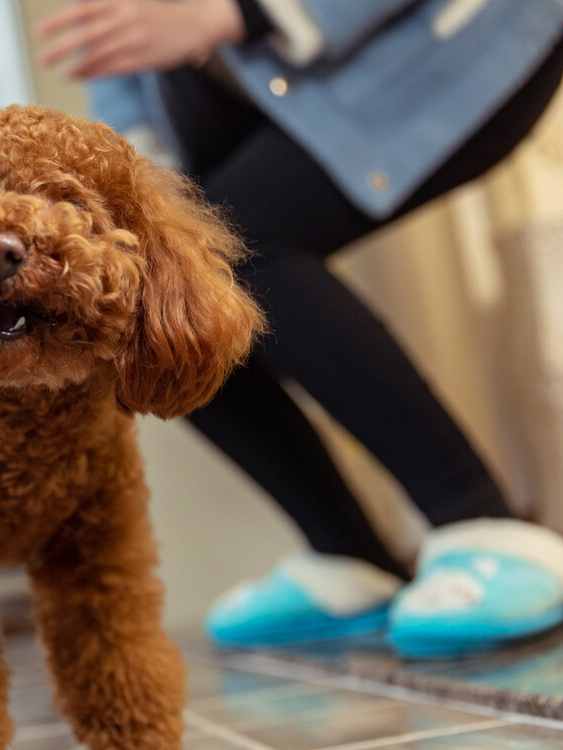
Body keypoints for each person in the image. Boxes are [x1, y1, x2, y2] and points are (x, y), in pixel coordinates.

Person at [38, 0, 563, 658]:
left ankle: (481, 520)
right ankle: (348, 553)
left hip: (451, 34)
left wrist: (238, 13)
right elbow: (117, 54)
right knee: (153, 294)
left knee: (247, 242)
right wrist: (142, 188)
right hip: (266, 87)